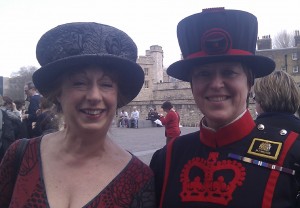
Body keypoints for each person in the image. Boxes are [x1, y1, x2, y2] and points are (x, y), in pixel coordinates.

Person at [150, 8, 300, 207]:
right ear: (192, 86)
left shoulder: (293, 154)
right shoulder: (167, 158)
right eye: (204, 74)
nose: (216, 84)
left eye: (229, 72)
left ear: (249, 83)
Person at [0, 22, 156, 207]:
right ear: (59, 92)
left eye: (106, 84)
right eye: (80, 83)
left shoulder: (138, 178)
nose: (94, 96)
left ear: (117, 96)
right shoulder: (20, 156)